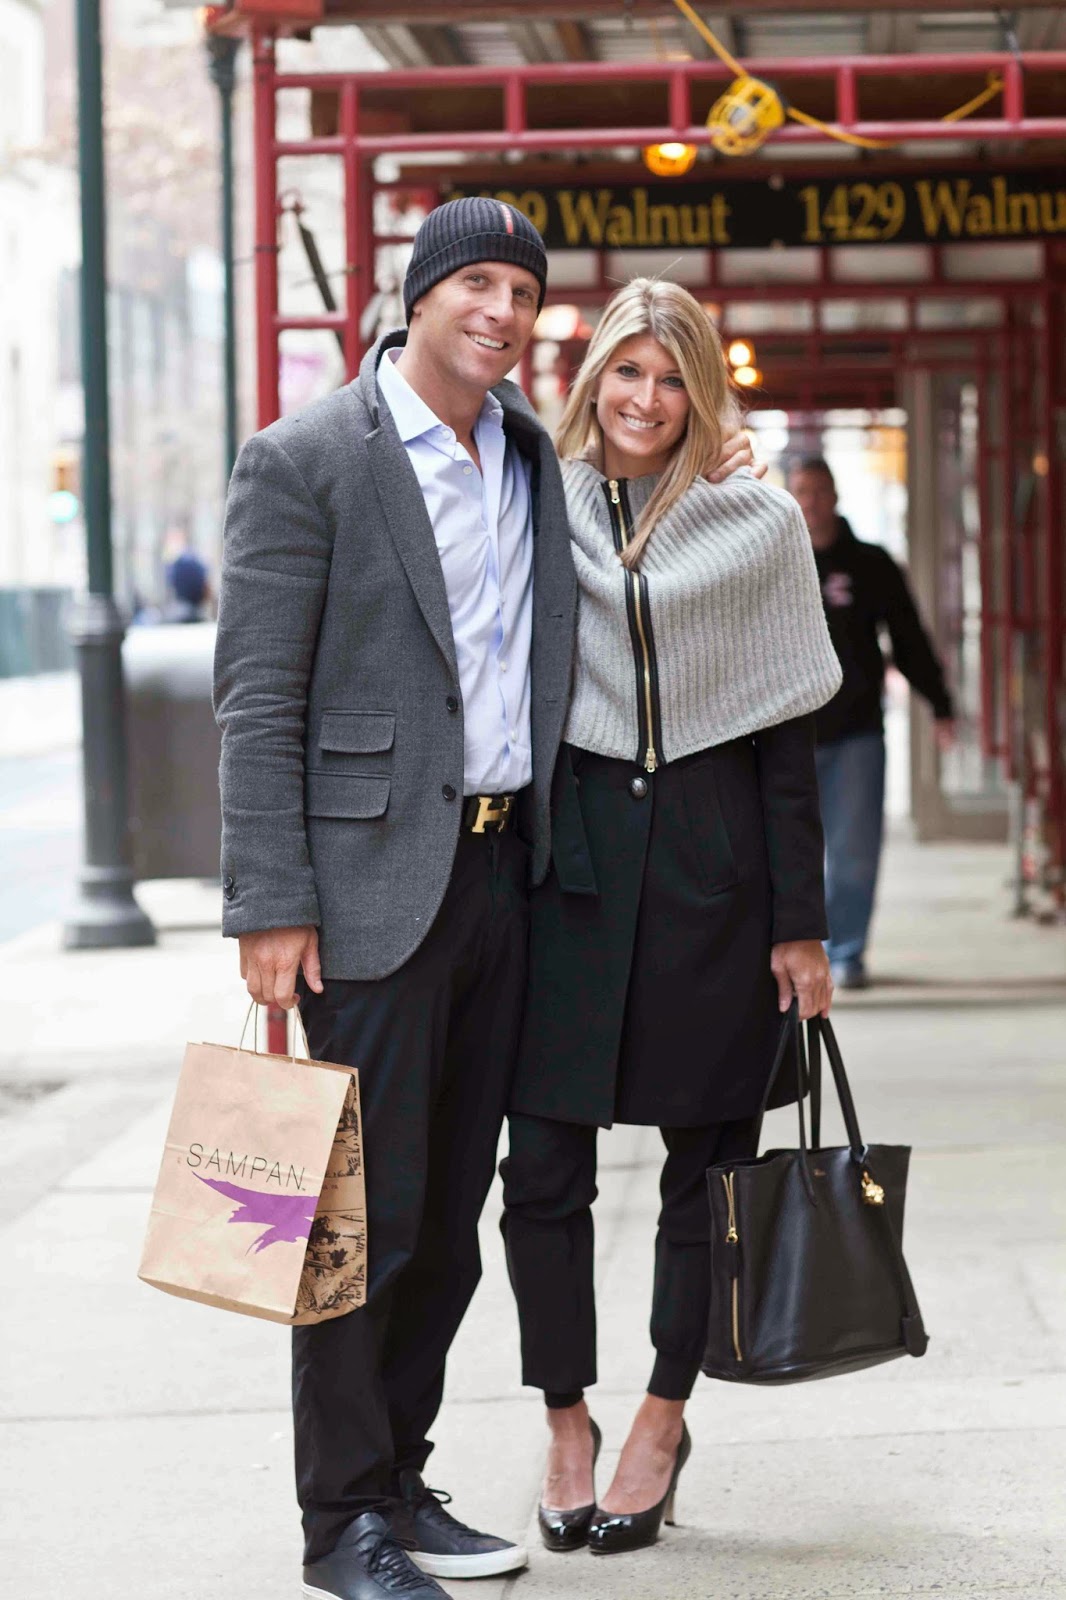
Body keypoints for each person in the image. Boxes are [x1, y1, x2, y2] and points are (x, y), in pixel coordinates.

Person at [215, 202, 757, 1598]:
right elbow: (257, 697)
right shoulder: (306, 458)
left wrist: (717, 462)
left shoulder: (524, 450)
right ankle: (342, 1521)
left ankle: (398, 1477)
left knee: (452, 1217)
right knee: (359, 1222)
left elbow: (644, 504)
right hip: (363, 898)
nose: (500, 309)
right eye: (474, 282)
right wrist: (269, 900)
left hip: (507, 880)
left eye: (521, 288)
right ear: (417, 297)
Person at [499, 279, 843, 1559]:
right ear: (591, 380)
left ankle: (659, 1417)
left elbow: (785, 738)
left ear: (704, 392)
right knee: (541, 1173)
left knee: (707, 1177)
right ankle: (564, 1417)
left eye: (670, 378)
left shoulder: (757, 522)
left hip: (716, 873)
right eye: (625, 373)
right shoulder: (532, 498)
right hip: (569, 875)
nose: (644, 400)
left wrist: (799, 923)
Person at [788, 457, 956, 989]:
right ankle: (801, 949)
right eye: (801, 491)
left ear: (835, 496)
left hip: (856, 732)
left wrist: (941, 704)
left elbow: (908, 638)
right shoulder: (776, 561)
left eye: (820, 491)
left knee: (854, 853)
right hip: (789, 733)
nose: (811, 502)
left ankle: (847, 952)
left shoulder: (870, 564)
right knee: (791, 853)